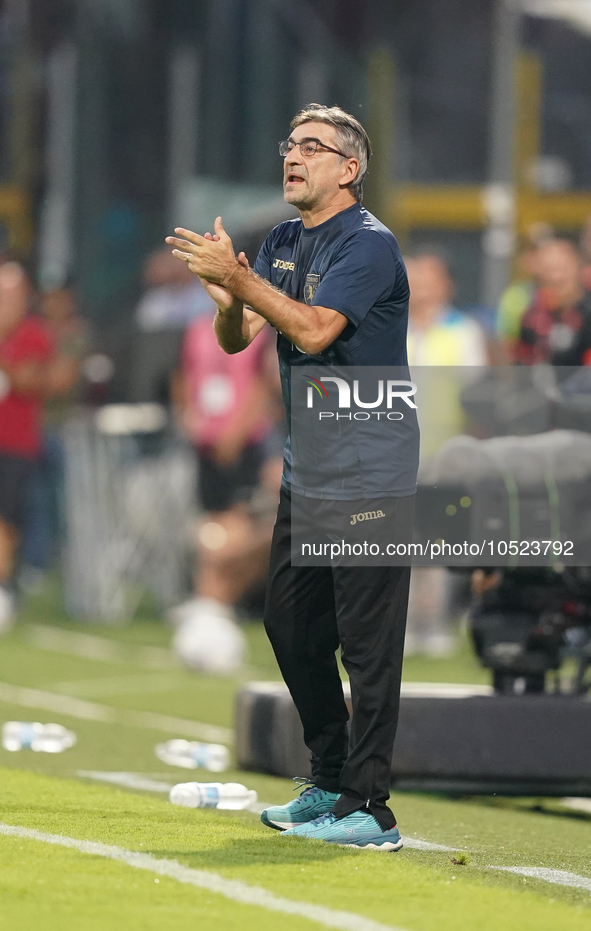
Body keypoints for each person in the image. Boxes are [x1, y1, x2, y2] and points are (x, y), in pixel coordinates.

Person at [166, 103, 417, 851]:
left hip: (371, 469)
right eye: (290, 143)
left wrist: (243, 286)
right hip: (310, 469)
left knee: (367, 647)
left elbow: (311, 329)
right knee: (289, 625)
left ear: (350, 169)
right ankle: (329, 776)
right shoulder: (278, 240)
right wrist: (227, 299)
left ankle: (370, 806)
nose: (294, 155)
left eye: (314, 146)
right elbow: (239, 337)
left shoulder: (368, 246)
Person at [169, 309, 279, 673]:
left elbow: (263, 385)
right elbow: (183, 374)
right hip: (206, 444)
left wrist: (235, 432)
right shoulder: (197, 326)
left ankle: (213, 604)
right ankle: (211, 606)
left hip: (246, 445)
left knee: (239, 528)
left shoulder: (263, 329)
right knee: (213, 526)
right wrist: (190, 418)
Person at [0, 263, 54, 629]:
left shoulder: (34, 334)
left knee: (5, 519)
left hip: (14, 441)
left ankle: (3, 588)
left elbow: (31, 380)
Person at [516, 238, 591, 366]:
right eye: (549, 270)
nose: (556, 278)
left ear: (578, 268)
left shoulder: (587, 313)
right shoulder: (531, 317)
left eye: (562, 269)